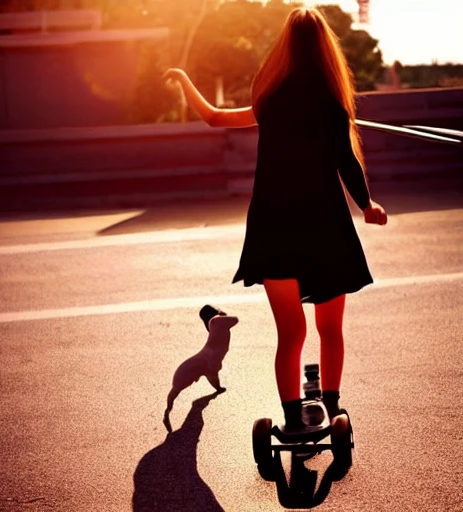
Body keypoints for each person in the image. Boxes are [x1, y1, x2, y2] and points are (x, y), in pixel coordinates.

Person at [163, 6, 387, 433]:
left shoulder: (269, 102)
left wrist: (184, 80)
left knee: (290, 334)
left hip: (273, 228)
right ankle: (333, 408)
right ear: (326, 50)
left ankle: (289, 416)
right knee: (330, 329)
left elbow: (214, 117)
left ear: (285, 47)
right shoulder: (330, 104)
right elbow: (346, 162)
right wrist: (367, 205)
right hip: (325, 229)